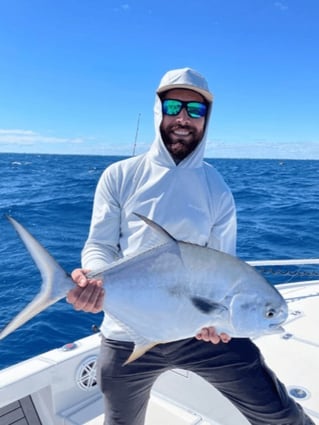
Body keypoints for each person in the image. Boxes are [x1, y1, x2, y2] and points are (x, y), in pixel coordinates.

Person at [67, 68, 314, 425]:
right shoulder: (119, 176)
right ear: (159, 111)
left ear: (206, 120)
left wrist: (221, 327)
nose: (183, 118)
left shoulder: (217, 190)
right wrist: (93, 277)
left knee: (280, 415)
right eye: (173, 107)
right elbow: (100, 245)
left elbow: (223, 268)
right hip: (128, 333)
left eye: (195, 111)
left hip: (200, 334)